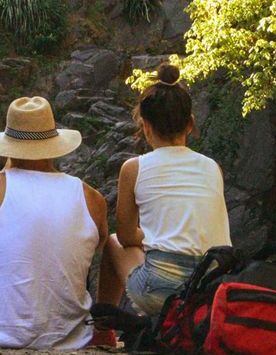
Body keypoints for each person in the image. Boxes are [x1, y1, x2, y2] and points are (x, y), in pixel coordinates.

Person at [0, 96, 109, 350]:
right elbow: (99, 243)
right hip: (71, 337)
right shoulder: (91, 196)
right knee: (77, 239)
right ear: (54, 143)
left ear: (8, 145)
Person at [97, 63, 230, 316]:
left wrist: (156, 238)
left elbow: (126, 237)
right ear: (190, 124)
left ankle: (103, 329)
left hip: (161, 293)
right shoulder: (213, 168)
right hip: (211, 293)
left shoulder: (134, 168)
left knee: (113, 242)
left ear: (145, 125)